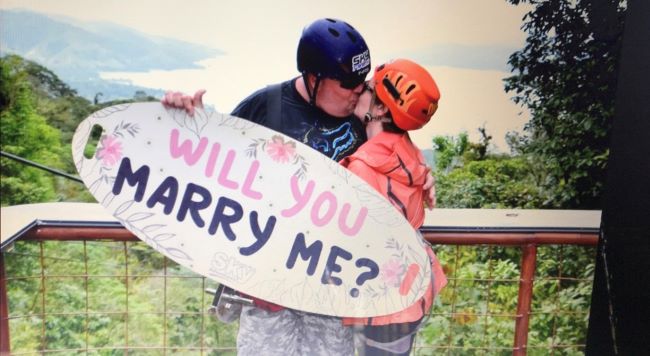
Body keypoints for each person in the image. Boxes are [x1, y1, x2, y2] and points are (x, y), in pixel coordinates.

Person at [161, 18, 435, 356]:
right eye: (347, 82)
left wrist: (425, 177)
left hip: (331, 294)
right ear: (313, 77)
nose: (358, 90)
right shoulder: (264, 107)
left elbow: (397, 159)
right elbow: (211, 164)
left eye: (362, 81)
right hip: (267, 290)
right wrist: (184, 120)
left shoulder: (363, 114)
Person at [340, 59, 448, 355]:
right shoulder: (412, 156)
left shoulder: (363, 167)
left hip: (381, 299)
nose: (359, 90)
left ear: (380, 109)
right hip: (410, 291)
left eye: (369, 89)